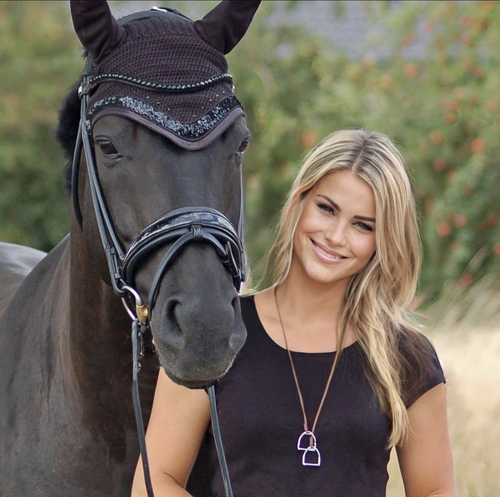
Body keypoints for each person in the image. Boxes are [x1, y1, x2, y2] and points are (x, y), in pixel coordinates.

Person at [131, 128, 456, 496]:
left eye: (362, 225)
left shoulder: (408, 357)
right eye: (326, 209)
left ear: (382, 240)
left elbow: (434, 490)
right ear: (299, 202)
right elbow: (155, 481)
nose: (335, 236)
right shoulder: (216, 332)